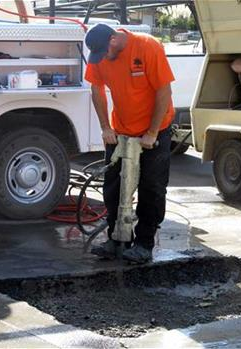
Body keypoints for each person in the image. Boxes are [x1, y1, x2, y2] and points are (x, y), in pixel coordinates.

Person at [84, 23, 175, 263]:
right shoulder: (100, 54)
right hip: (121, 130)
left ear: (113, 40)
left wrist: (153, 132)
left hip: (154, 130)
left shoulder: (147, 47)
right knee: (113, 186)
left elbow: (164, 91)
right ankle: (117, 238)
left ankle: (144, 243)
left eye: (104, 52)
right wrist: (105, 127)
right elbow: (96, 88)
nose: (102, 58)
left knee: (152, 187)